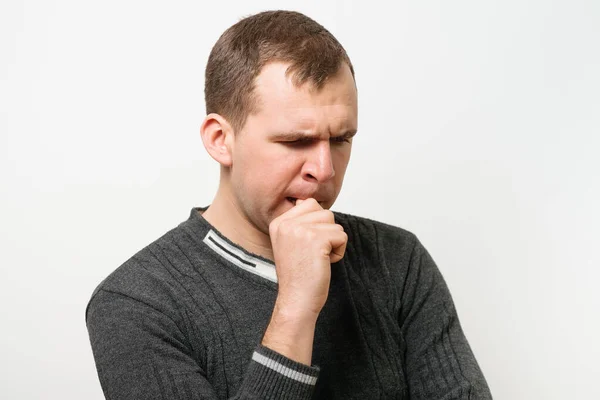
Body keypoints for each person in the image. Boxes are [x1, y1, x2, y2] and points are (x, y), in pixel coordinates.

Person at [86, 10, 492, 400]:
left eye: (341, 139)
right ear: (219, 139)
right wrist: (296, 306)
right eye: (296, 141)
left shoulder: (398, 261)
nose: (324, 168)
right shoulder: (135, 304)